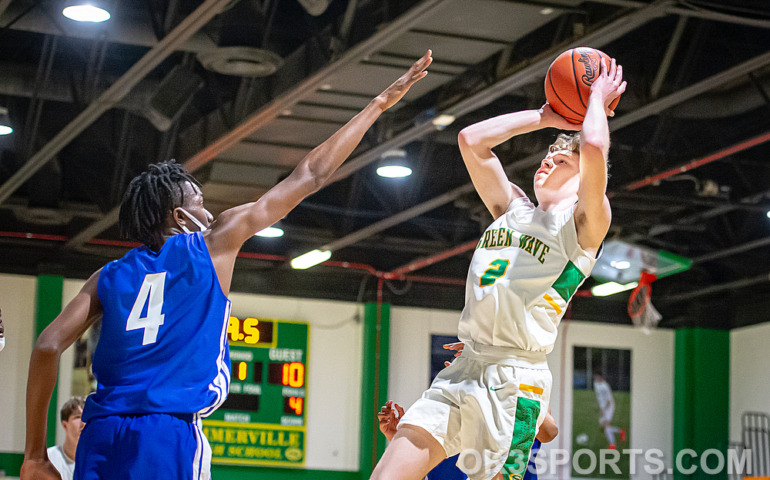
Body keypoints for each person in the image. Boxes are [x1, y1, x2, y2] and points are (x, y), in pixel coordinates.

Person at [21, 51, 432, 480]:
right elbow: (309, 175)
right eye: (199, 201)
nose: (210, 210)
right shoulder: (211, 242)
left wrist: (34, 455)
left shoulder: (106, 276)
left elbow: (47, 346)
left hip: (100, 434)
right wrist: (378, 105)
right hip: (168, 432)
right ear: (181, 218)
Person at [370, 57, 625, 480]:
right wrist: (544, 116)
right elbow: (471, 140)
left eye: (561, 161)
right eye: (547, 156)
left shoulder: (582, 226)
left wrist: (595, 97)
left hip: (515, 379)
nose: (546, 161)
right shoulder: (511, 209)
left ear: (584, 181)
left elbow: (595, 148)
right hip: (463, 366)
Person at [377, 399, 558, 480]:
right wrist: (399, 443)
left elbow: (550, 430)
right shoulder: (442, 433)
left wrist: (503, 374)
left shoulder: (514, 422)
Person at [46, 397, 85, 480]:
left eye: (86, 417)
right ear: (64, 425)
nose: (83, 423)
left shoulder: (98, 461)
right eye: (78, 417)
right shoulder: (48, 458)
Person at [593, 372, 625, 449]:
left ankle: (613, 444)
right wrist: (598, 405)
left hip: (609, 406)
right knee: (603, 426)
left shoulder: (605, 386)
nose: (595, 379)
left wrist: (604, 410)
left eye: (597, 377)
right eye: (595, 377)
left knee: (606, 425)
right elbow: (598, 396)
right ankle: (621, 431)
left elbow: (608, 400)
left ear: (600, 377)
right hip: (603, 406)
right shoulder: (596, 384)